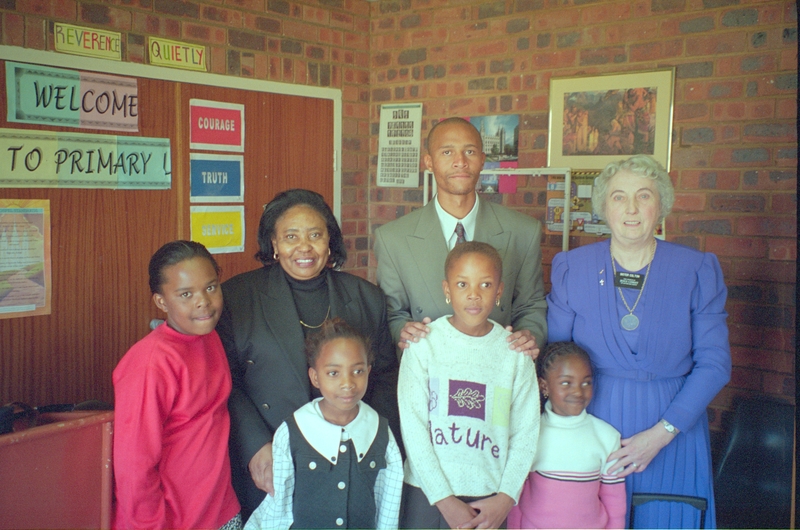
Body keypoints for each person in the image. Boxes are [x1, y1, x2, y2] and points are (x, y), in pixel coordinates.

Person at [547, 154, 731, 528]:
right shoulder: (572, 267)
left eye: (644, 196)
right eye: (618, 197)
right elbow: (554, 356)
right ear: (602, 207)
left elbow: (715, 364)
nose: (631, 208)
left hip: (674, 429)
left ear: (661, 204)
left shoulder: (696, 270)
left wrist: (662, 434)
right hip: (590, 424)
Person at [217, 189, 400, 520]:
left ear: (330, 240)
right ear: (273, 243)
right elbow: (226, 382)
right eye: (290, 236)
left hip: (351, 459)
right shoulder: (239, 297)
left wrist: (373, 442)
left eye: (315, 234)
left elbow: (386, 376)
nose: (304, 247)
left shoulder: (365, 298)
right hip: (270, 457)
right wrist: (255, 446)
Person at [374, 117, 546, 358]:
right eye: (447, 152)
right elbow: (392, 312)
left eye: (470, 151)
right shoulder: (392, 239)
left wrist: (529, 334)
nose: (460, 162)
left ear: (483, 160)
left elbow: (531, 305)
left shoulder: (523, 231)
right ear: (429, 162)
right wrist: (400, 330)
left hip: (497, 365)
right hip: (428, 372)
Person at [398, 242, 539, 529]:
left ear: (499, 291)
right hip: (426, 496)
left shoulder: (514, 354)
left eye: (485, 285)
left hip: (489, 501)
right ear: (447, 290)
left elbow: (526, 433)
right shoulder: (423, 345)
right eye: (462, 284)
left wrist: (506, 498)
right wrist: (443, 500)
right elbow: (413, 429)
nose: (474, 294)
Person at [113, 240, 241, 529]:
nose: (203, 302)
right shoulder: (149, 364)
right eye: (186, 294)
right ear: (161, 301)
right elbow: (134, 467)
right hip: (175, 521)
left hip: (221, 508)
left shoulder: (209, 336)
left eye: (211, 287)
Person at [244, 318, 403, 529]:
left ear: (369, 371)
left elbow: (388, 504)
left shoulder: (379, 431)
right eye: (333, 373)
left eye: (357, 371)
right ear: (315, 377)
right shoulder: (293, 431)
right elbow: (278, 505)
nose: (347, 383)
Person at [507, 342, 626, 529]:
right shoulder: (530, 434)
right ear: (543, 385)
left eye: (586, 382)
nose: (578, 391)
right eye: (566, 383)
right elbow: (515, 496)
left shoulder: (606, 436)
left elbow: (615, 501)